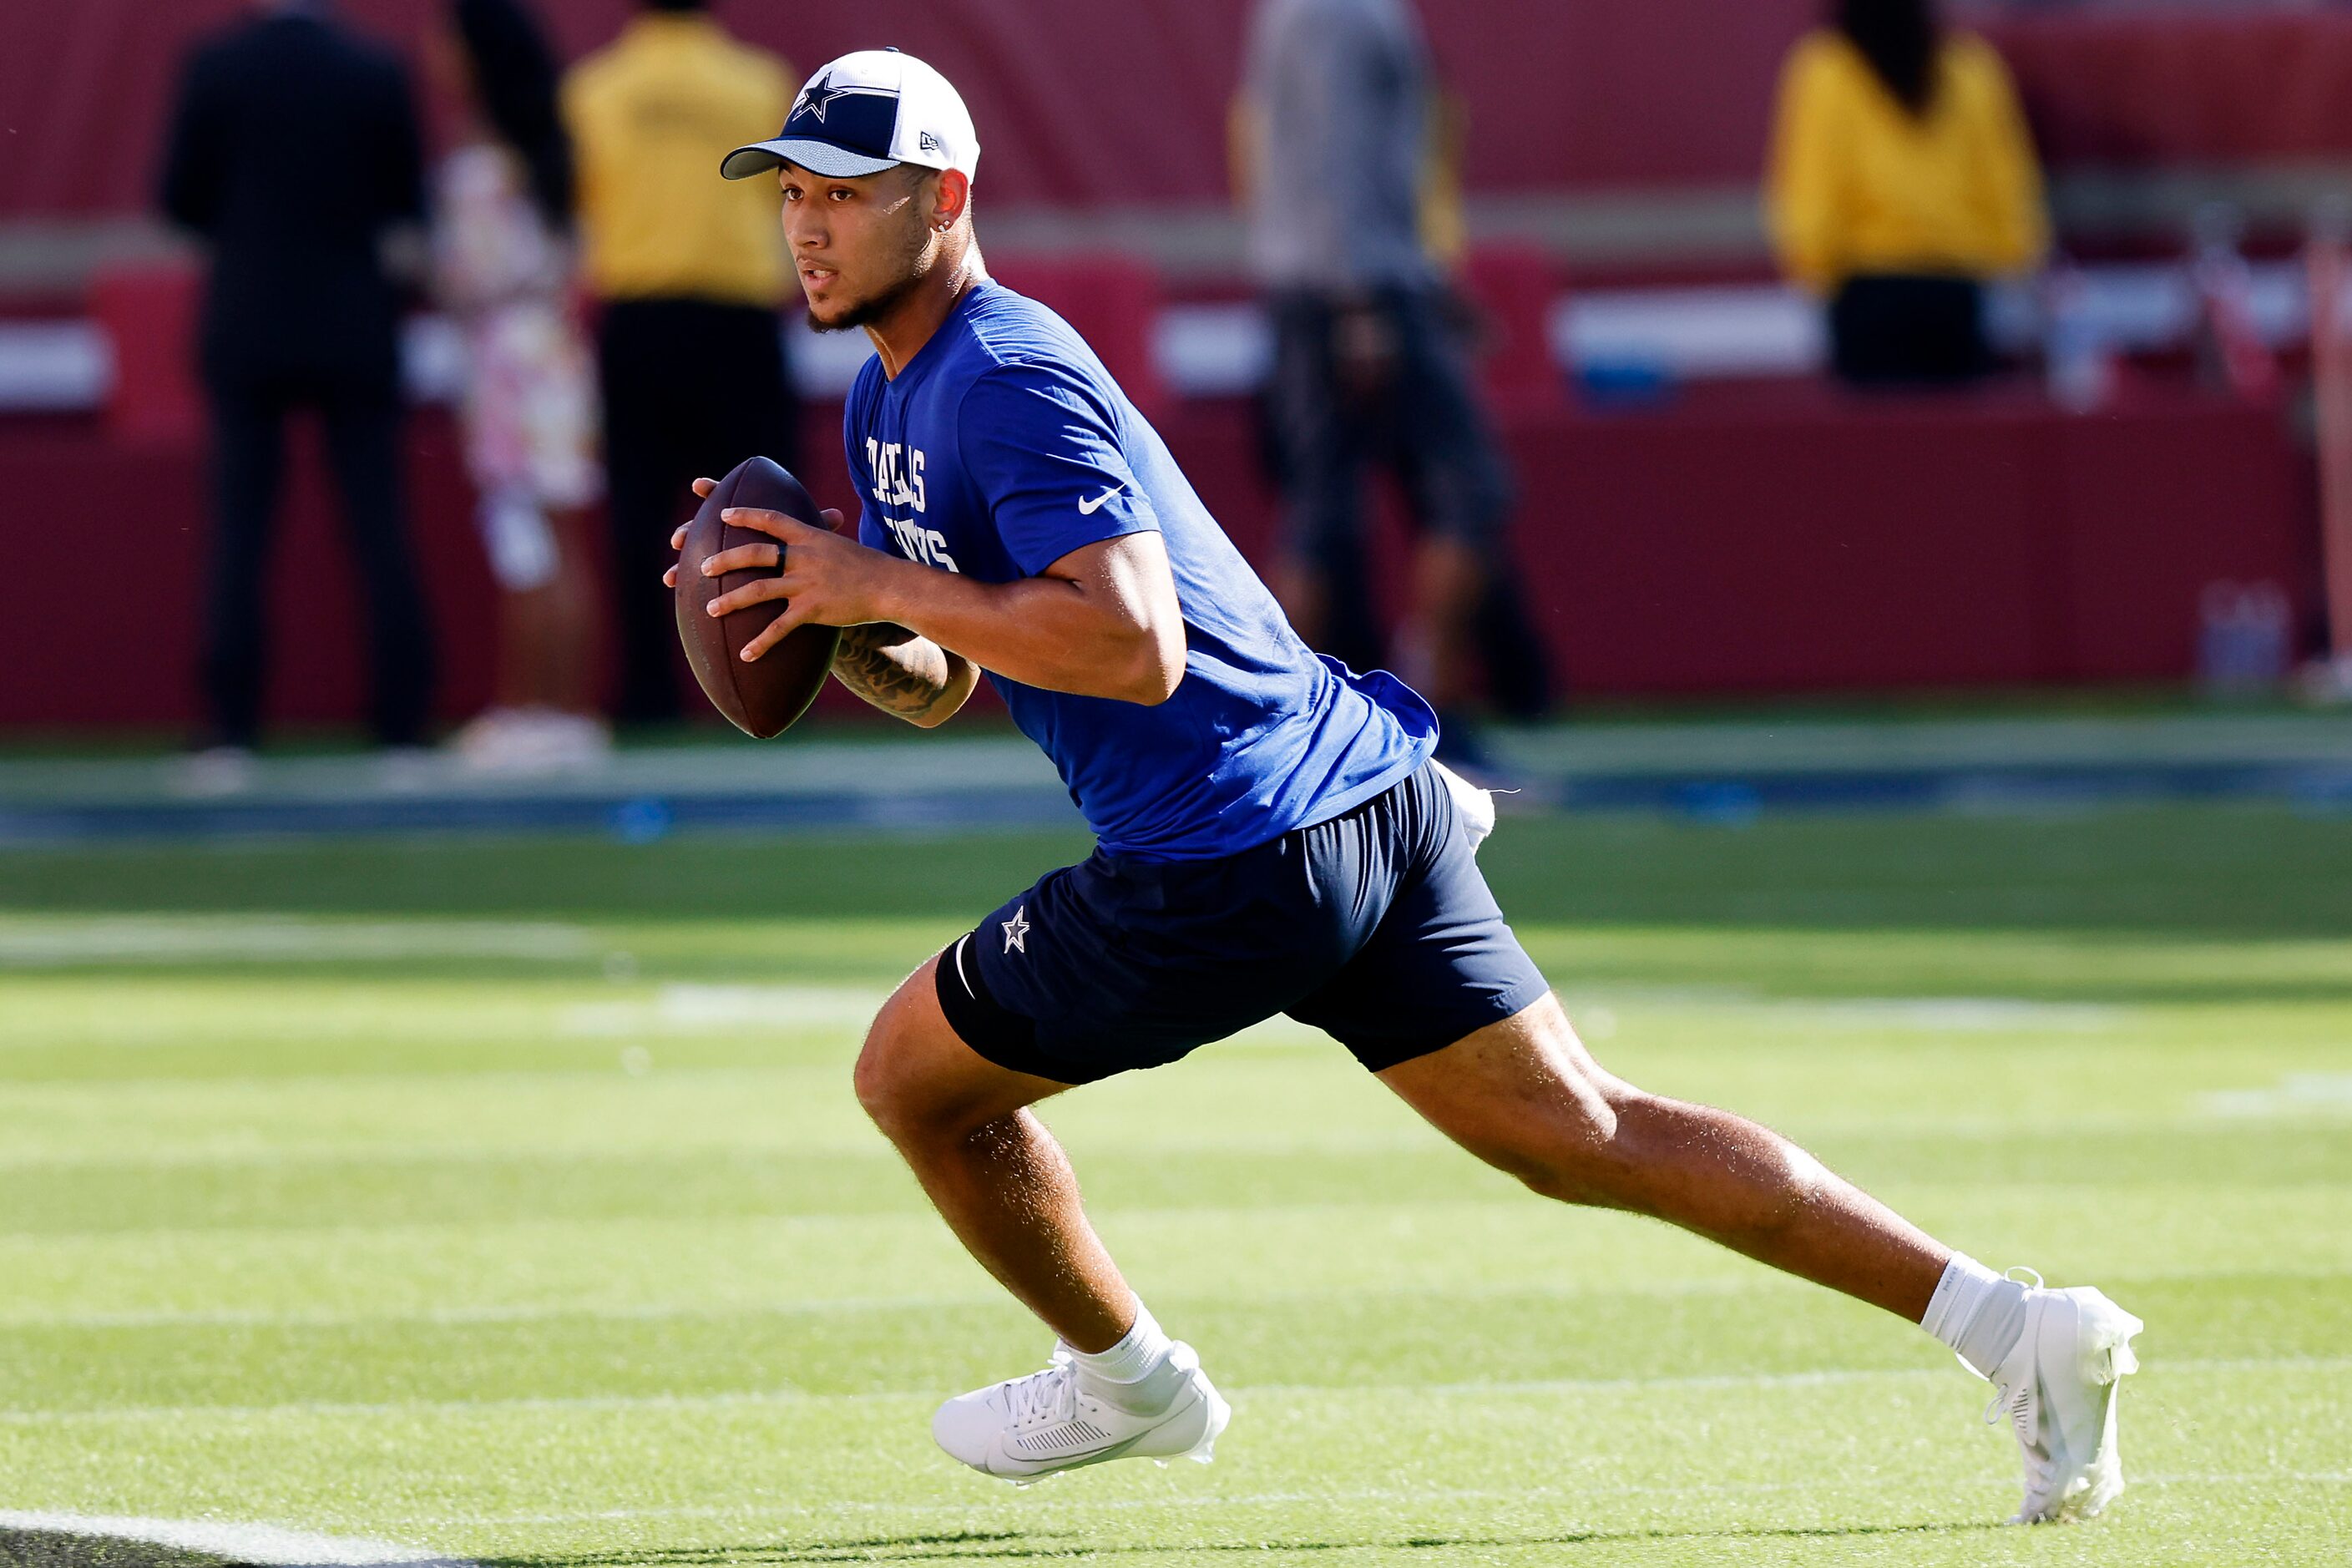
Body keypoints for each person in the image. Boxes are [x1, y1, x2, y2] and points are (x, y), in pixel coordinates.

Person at [674, 48, 2142, 1524]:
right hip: (1355, 801)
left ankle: (1122, 1373)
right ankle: (2015, 1327)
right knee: (1585, 1133)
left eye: (845, 196)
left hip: (1229, 850)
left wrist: (870, 573)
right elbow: (957, 679)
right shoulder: (885, 397)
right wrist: (847, 622)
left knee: (909, 1082)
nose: (807, 225)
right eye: (793, 192)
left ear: (943, 197)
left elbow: (1128, 644)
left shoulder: (1002, 373)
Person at [1233, 0, 1546, 772]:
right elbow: (1337, 161)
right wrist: (1364, 301)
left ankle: (1285, 731)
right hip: (1353, 286)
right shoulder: (1334, 11)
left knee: (1326, 510)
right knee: (1463, 491)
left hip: (1342, 279)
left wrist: (1422, 275)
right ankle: (1427, 707)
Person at [158, 0, 438, 791]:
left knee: (239, 528)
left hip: (247, 321)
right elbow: (407, 201)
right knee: (378, 522)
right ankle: (401, 726)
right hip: (354, 322)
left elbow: (179, 198)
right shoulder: (374, 68)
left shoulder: (216, 65)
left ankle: (229, 729)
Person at [562, 0, 797, 727]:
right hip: (737, 322)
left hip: (638, 321)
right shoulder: (759, 84)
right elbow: (785, 202)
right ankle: (778, 685)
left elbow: (581, 206)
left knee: (637, 513)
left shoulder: (594, 89)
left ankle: (647, 696)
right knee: (765, 517)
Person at [429, 0, 609, 773]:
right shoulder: (549, 152)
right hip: (555, 355)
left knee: (530, 541)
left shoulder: (481, 166)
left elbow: (467, 277)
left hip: (509, 362)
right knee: (555, 540)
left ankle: (536, 710)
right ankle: (560, 711)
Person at [1766, 0, 2049, 386]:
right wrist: (2015, 259)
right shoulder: (1969, 68)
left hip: (1866, 290)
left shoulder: (1827, 69)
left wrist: (1813, 266)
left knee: (1881, 442)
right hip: (1955, 291)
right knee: (1957, 439)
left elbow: (1813, 186)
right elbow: (2008, 186)